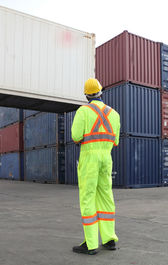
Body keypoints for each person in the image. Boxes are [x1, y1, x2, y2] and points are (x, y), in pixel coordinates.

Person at [71, 78, 120, 255]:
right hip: (106, 158)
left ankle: (91, 244)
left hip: (89, 158)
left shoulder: (83, 111)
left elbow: (76, 136)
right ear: (101, 92)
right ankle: (109, 239)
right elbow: (115, 141)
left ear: (86, 95)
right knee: (106, 197)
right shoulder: (114, 114)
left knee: (88, 198)